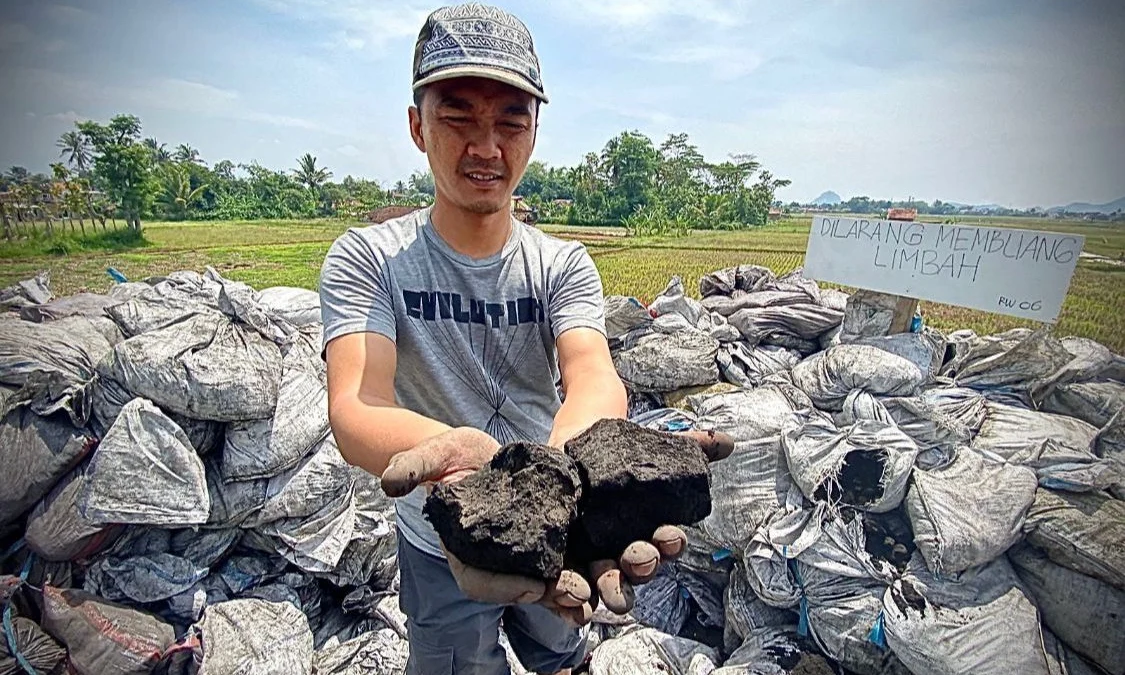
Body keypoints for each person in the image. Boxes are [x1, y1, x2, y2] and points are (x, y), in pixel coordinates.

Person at [318, 4, 730, 673]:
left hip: (557, 526)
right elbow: (356, 405)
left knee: (560, 647)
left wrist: (562, 473)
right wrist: (467, 465)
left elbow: (591, 373)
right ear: (417, 126)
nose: (486, 145)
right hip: (437, 537)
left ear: (535, 130)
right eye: (458, 115)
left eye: (511, 117)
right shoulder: (370, 259)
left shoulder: (559, 264)